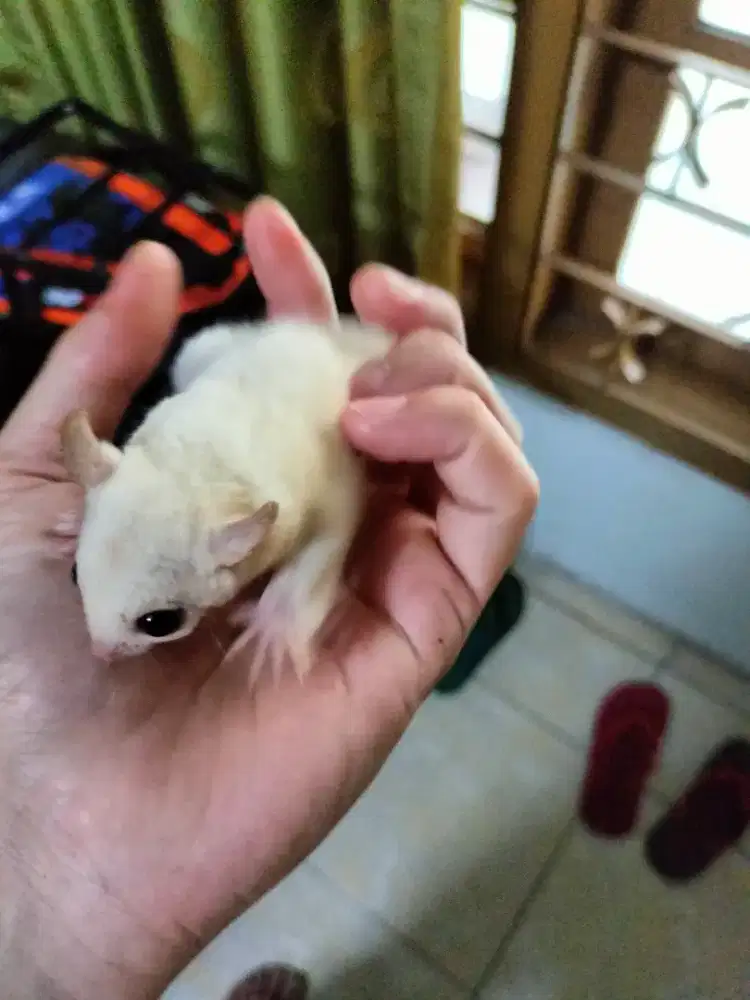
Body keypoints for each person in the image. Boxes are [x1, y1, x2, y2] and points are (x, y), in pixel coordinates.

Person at [0, 196, 538, 1000]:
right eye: (85, 577)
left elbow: (330, 512)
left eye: (155, 621)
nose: (102, 649)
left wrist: (299, 598)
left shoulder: (260, 518)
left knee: (346, 428)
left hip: (308, 402)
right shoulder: (125, 469)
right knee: (203, 358)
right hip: (248, 382)